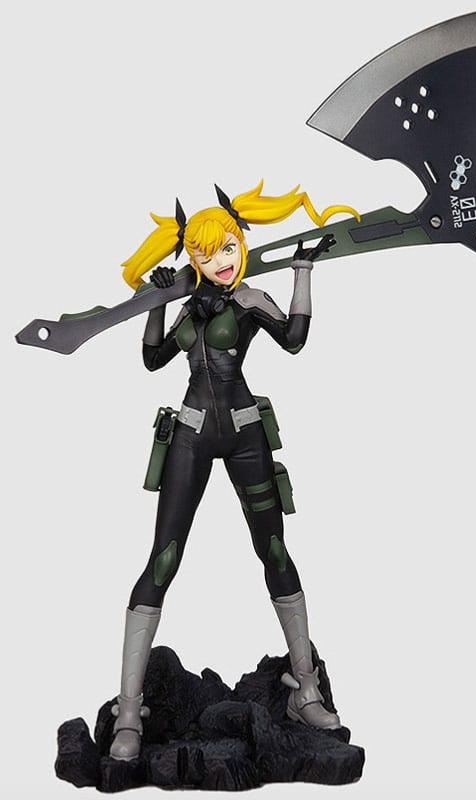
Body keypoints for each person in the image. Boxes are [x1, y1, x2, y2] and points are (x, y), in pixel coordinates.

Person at [110, 180, 359, 760]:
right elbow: (151, 359)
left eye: (226, 247)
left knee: (274, 550)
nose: (219, 260)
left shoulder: (248, 299)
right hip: (191, 433)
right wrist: (158, 301)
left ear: (240, 243)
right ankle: (128, 711)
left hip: (246, 432)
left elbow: (294, 339)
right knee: (163, 559)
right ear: (191, 257)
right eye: (205, 253)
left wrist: (302, 272)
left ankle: (304, 689)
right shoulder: (188, 305)